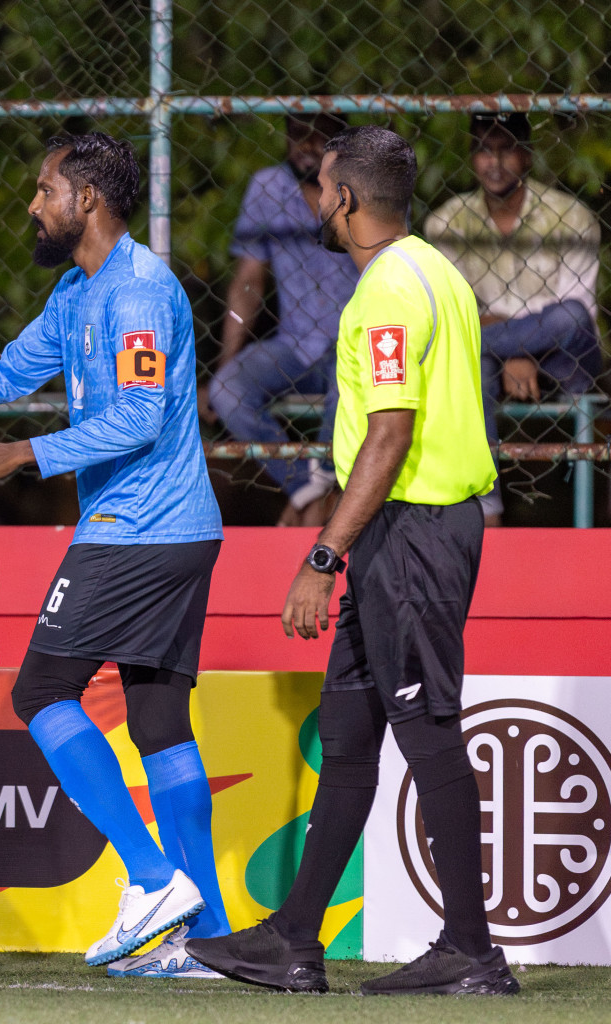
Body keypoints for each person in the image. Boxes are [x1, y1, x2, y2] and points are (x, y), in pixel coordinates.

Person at [187, 127, 519, 997]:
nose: (316, 202)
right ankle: (295, 940)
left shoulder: (388, 290)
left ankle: (472, 951)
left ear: (344, 199)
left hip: (410, 533)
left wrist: (323, 553)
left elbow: (390, 433)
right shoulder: (435, 269)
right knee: (349, 731)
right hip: (402, 531)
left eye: (323, 188)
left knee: (427, 728)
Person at [0, 131, 228, 978]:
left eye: (44, 189)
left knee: (41, 691)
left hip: (140, 529)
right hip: (173, 530)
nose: (33, 204)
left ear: (86, 198)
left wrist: (19, 455)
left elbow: (140, 417)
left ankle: (154, 881)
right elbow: (5, 378)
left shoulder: (138, 290)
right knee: (160, 725)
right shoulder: (76, 289)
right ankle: (206, 940)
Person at [426, 112, 602, 525]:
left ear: (527, 155)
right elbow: (457, 310)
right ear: (472, 157)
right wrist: (514, 350)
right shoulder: (446, 223)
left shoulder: (571, 216)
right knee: (473, 363)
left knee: (570, 316)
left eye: (506, 149)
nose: (495, 162)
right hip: (486, 353)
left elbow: (575, 313)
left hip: (565, 360)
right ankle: (488, 511)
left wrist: (518, 349)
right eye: (484, 150)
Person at [208, 114, 359, 525]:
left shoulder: (365, 186)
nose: (306, 146)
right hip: (294, 344)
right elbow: (249, 281)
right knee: (227, 389)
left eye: (318, 136)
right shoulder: (267, 187)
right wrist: (226, 359)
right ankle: (307, 491)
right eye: (297, 135)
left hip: (354, 343)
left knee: (349, 384)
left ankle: (321, 492)